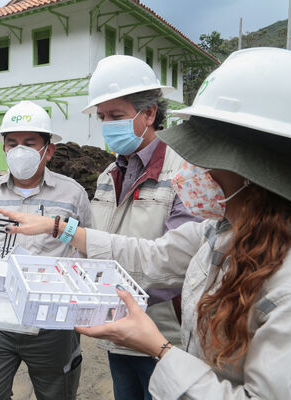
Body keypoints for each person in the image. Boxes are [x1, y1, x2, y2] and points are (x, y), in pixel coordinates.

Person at [0, 47, 291, 399]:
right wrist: (60, 229)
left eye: (204, 154)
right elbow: (150, 255)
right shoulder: (220, 231)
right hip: (137, 336)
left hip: (156, 337)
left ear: (248, 165)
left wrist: (161, 350)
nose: (194, 167)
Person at [83, 55, 201, 399]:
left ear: (149, 113)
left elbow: (181, 263)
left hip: (166, 339)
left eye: (116, 116)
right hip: (118, 335)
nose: (107, 125)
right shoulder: (108, 175)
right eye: (102, 117)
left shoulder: (185, 173)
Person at [0, 100, 92, 400]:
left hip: (54, 323)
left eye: (29, 143)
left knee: (56, 395)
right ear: (4, 149)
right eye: (12, 143)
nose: (19, 150)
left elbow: (89, 248)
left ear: (48, 150)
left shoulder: (72, 194)